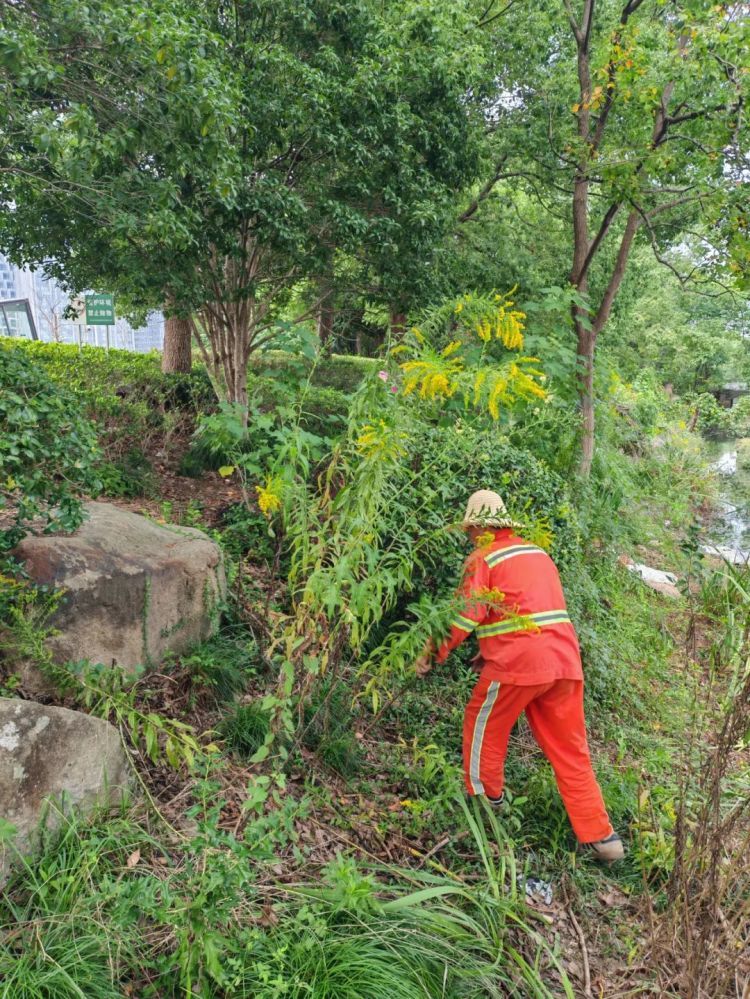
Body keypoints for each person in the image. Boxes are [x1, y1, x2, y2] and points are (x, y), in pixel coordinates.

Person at [415, 489, 624, 862]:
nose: (468, 536)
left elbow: (466, 615)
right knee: (571, 750)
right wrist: (489, 648)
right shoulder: (537, 553)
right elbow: (531, 610)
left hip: (519, 664)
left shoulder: (485, 556)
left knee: (484, 726)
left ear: (478, 527)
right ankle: (602, 838)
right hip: (564, 661)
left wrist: (431, 652)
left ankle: (485, 808)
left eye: (469, 530)